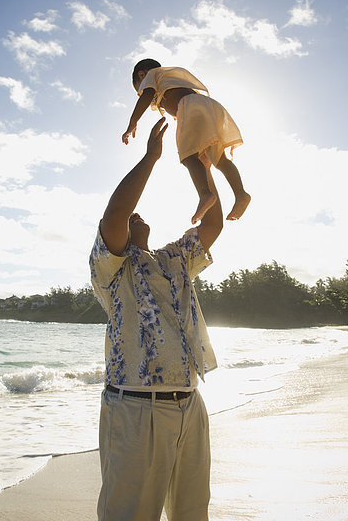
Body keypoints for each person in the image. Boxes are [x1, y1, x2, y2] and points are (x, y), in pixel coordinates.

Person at [90, 118, 223, 521]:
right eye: (130, 219)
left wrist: (197, 162)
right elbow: (114, 214)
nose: (135, 216)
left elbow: (213, 223)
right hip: (134, 407)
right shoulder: (112, 270)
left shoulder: (174, 259)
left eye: (138, 215)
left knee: (192, 513)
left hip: (190, 403)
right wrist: (151, 157)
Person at [122, 58, 251, 224]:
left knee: (188, 156)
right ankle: (240, 194)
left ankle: (205, 193)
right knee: (220, 160)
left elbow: (147, 95)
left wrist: (133, 121)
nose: (143, 92)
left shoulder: (151, 75)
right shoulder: (168, 80)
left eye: (139, 89)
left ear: (142, 75)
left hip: (190, 107)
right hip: (206, 106)